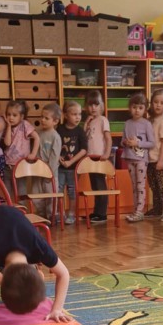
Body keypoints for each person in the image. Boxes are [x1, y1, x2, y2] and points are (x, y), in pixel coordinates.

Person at [121, 92, 154, 222]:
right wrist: (125, 142)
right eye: (134, 107)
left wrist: (137, 143)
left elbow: (152, 143)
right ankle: (136, 211)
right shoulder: (127, 123)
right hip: (130, 157)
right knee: (134, 186)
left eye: (140, 108)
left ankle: (139, 212)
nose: (137, 110)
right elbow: (122, 140)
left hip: (141, 159)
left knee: (140, 186)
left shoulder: (146, 124)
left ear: (145, 109)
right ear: (130, 108)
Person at [57, 100, 88, 224]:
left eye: (79, 114)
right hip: (60, 167)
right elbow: (56, 145)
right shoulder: (59, 129)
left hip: (73, 168)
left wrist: (71, 162)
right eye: (74, 114)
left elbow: (84, 150)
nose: (78, 117)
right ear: (65, 115)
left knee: (72, 191)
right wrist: (58, 157)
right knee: (58, 190)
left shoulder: (80, 131)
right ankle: (60, 213)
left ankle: (71, 214)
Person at [84, 90, 112, 224]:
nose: (93, 108)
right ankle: (96, 211)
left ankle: (102, 214)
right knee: (94, 186)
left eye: (96, 104)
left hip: (100, 158)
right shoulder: (90, 121)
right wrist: (85, 124)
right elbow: (84, 137)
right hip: (90, 158)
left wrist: (107, 153)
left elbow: (108, 138)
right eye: (90, 105)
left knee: (101, 185)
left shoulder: (103, 120)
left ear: (102, 106)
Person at [2, 99, 40, 196]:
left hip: (21, 166)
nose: (11, 117)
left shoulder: (25, 125)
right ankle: (9, 206)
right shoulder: (7, 127)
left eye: (14, 115)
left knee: (21, 193)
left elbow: (37, 138)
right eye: (8, 114)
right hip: (7, 165)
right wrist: (8, 126)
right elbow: (7, 143)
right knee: (7, 193)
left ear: (21, 116)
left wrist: (33, 154)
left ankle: (20, 206)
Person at [146, 87, 163, 220]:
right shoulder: (149, 120)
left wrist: (161, 160)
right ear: (151, 103)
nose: (158, 105)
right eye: (156, 102)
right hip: (149, 159)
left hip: (159, 159)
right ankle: (157, 208)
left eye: (162, 103)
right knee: (153, 185)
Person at [36, 102, 62, 218]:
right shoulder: (38, 133)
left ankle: (51, 217)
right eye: (42, 117)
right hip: (38, 172)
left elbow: (54, 157)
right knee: (38, 196)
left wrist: (49, 172)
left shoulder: (55, 137)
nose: (42, 120)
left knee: (51, 197)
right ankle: (41, 216)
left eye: (46, 118)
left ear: (55, 121)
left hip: (50, 174)